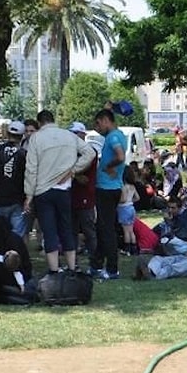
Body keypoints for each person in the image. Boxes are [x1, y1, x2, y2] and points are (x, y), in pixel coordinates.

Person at [23, 110, 96, 273]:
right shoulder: (69, 136)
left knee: (49, 231)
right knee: (67, 229)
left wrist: (29, 195)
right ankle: (72, 266)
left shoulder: (36, 138)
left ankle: (54, 269)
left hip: (43, 190)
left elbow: (31, 168)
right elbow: (90, 153)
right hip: (64, 189)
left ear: (40, 123)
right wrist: (73, 170)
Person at [92, 109, 127, 280]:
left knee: (107, 229)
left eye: (98, 124)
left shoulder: (113, 137)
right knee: (102, 227)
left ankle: (112, 269)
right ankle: (96, 265)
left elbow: (120, 156)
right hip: (111, 187)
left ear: (106, 120)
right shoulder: (117, 135)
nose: (97, 128)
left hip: (107, 188)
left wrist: (109, 166)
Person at [0, 121, 27, 238]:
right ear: (22, 136)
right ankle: (15, 254)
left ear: (7, 134)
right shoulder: (24, 154)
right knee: (17, 234)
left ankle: (0, 254)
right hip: (17, 199)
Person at [68, 122, 98, 267]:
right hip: (70, 197)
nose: (73, 137)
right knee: (71, 232)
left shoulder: (89, 152)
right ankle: (73, 263)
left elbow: (84, 178)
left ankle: (95, 262)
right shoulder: (68, 152)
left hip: (85, 197)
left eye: (75, 133)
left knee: (89, 232)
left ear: (82, 135)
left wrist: (71, 173)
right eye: (71, 134)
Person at [20, 119, 43, 252]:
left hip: (39, 187)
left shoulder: (40, 145)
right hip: (26, 187)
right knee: (26, 221)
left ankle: (41, 243)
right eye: (27, 131)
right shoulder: (23, 145)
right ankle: (24, 247)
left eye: (32, 131)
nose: (29, 134)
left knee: (40, 222)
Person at [118, 165, 141, 256]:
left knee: (126, 230)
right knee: (131, 230)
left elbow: (123, 199)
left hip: (124, 208)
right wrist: (131, 201)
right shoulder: (132, 186)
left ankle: (127, 249)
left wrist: (117, 202)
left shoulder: (123, 186)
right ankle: (134, 249)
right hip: (131, 208)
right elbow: (137, 198)